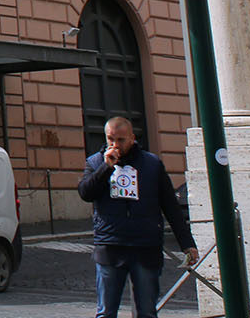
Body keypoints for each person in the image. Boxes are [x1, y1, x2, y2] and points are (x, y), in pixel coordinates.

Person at [77, 116, 197, 318]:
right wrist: (106, 168)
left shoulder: (151, 164)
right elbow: (85, 193)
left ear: (132, 138)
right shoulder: (95, 162)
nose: (115, 145)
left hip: (145, 247)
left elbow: (170, 206)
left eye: (121, 140)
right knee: (106, 312)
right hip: (110, 246)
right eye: (110, 139)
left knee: (146, 312)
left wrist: (187, 243)